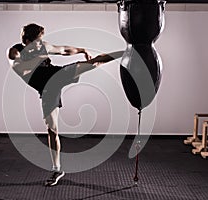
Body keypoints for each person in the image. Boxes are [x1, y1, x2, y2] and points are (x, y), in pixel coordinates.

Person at [8, 23, 123, 187]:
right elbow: (22, 67)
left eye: (41, 41)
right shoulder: (15, 51)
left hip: (55, 76)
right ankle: (57, 169)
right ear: (26, 41)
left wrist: (82, 50)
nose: (40, 44)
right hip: (46, 90)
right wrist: (39, 55)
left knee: (93, 64)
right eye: (36, 42)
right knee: (52, 129)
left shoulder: (43, 46)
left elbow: (64, 50)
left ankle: (125, 53)